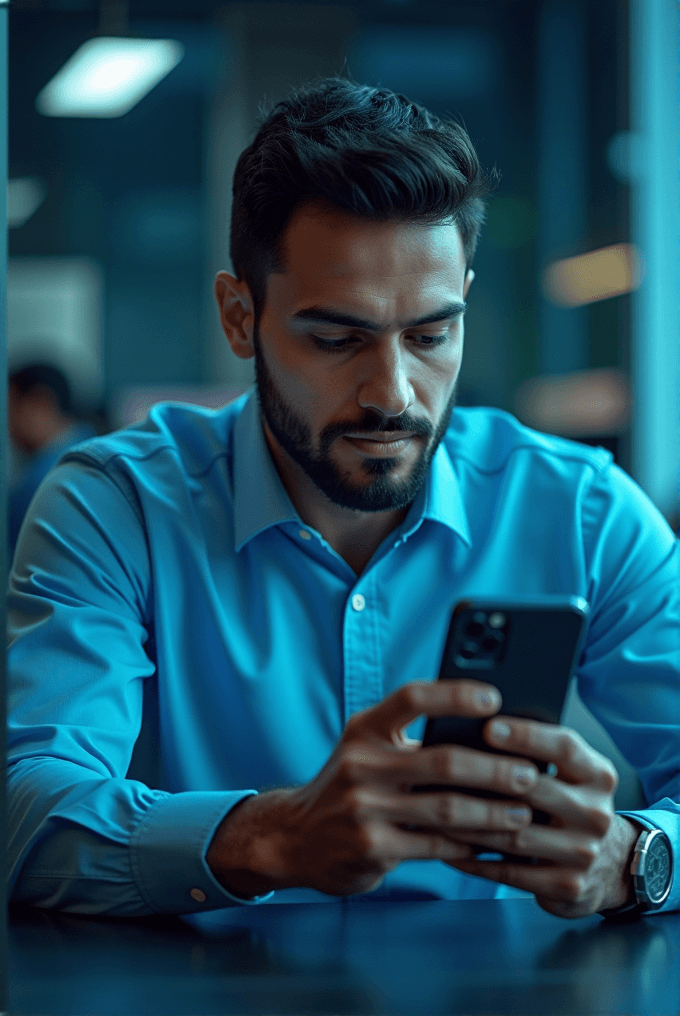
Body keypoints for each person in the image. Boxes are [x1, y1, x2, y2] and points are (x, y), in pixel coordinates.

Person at [7, 79, 678, 921]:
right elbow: (26, 811)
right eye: (336, 338)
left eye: (432, 335)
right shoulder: (117, 507)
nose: (393, 393)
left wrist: (634, 857)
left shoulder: (584, 511)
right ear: (239, 316)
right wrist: (271, 837)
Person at [7, 363, 97, 567]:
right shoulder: (98, 457)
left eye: (10, 411)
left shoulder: (40, 484)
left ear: (40, 403)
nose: (8, 428)